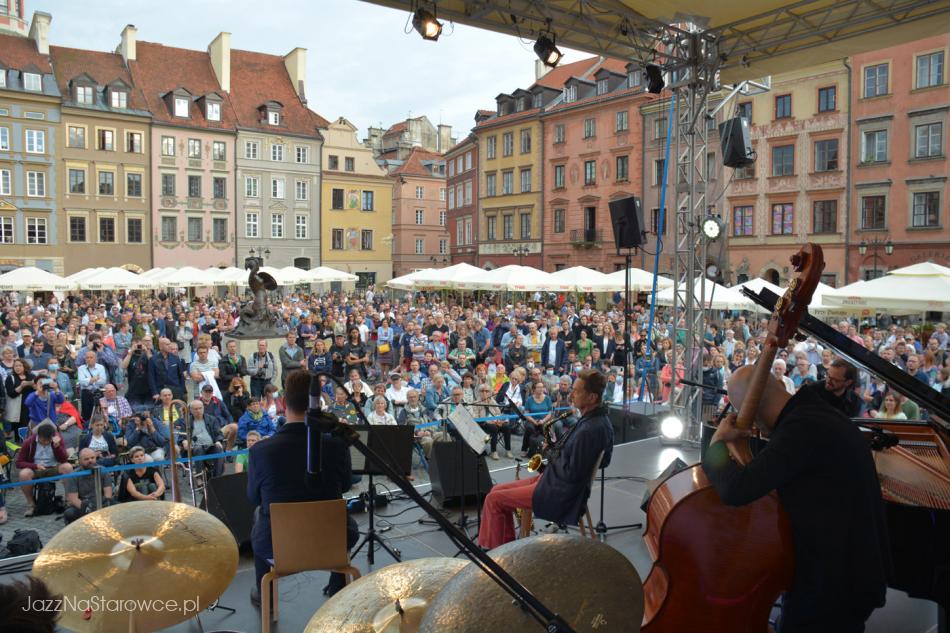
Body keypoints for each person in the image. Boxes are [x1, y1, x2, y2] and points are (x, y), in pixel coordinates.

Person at [702, 365, 889, 633]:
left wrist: (717, 444)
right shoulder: (811, 412)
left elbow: (736, 489)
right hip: (844, 570)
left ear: (750, 408)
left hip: (835, 583)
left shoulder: (801, 428)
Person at [247, 369, 357, 605]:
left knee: (259, 514)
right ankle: (338, 584)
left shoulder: (260, 451)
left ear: (284, 402)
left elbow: (253, 497)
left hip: (278, 548)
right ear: (317, 404)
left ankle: (264, 594)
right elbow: (347, 486)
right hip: (333, 543)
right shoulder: (337, 445)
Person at [478, 369, 613, 549]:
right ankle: (505, 547)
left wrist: (551, 454)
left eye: (577, 391)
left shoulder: (589, 430)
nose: (572, 395)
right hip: (553, 481)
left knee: (494, 500)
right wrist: (560, 449)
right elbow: (599, 461)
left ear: (592, 397)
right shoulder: (597, 421)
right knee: (495, 490)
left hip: (558, 491)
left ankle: (498, 553)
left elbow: (572, 473)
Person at [15, 422, 74, 516]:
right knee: (24, 474)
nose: (46, 442)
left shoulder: (56, 440)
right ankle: (31, 505)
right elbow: (18, 463)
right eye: (43, 440)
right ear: (38, 436)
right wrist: (35, 466)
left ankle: (68, 500)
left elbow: (64, 459)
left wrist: (57, 447)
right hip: (36, 469)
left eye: (48, 440)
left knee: (68, 467)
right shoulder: (29, 442)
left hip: (53, 467)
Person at [63, 448, 114, 524]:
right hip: (83, 504)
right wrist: (88, 509)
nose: (90, 460)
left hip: (101, 502)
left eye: (92, 458)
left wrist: (104, 506)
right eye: (86, 459)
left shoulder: (103, 470)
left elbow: (108, 494)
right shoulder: (74, 475)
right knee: (69, 513)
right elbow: (73, 499)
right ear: (80, 461)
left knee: (117, 506)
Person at [178, 400, 225, 477]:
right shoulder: (186, 421)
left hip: (210, 446)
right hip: (194, 448)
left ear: (203, 408)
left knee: (218, 448)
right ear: (191, 410)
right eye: (195, 409)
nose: (198, 411)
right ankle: (199, 477)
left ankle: (217, 476)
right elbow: (181, 437)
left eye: (200, 408)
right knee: (198, 449)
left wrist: (218, 441)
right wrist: (184, 441)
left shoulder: (212, 419)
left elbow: (218, 433)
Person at [147, 338, 187, 402]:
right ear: (160, 346)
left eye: (170, 344)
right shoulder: (153, 359)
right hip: (161, 391)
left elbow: (181, 376)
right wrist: (155, 393)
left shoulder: (175, 358)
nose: (170, 346)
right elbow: (151, 377)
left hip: (175, 390)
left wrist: (181, 390)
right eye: (167, 344)